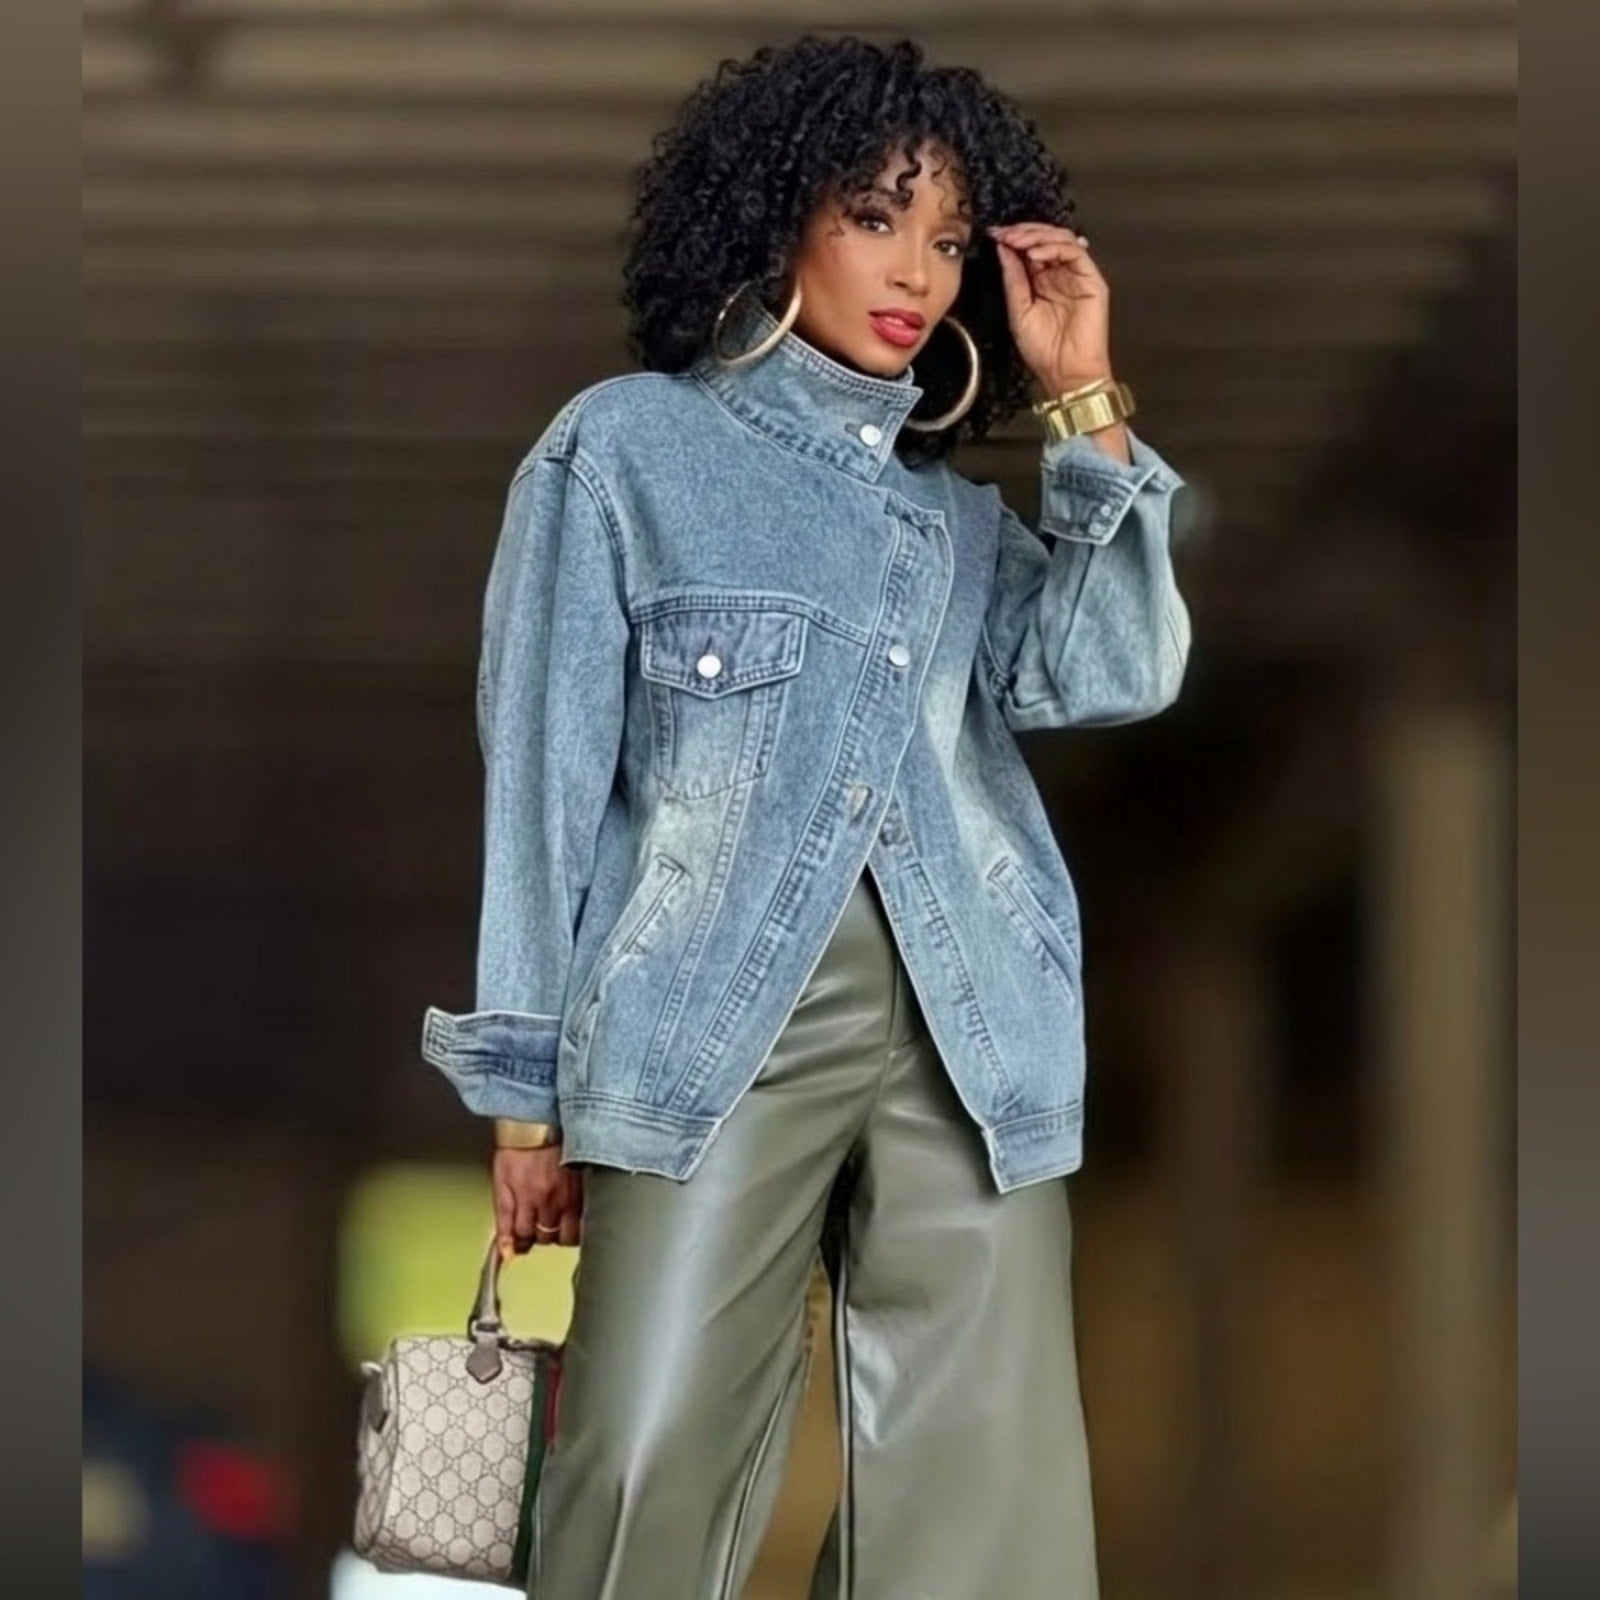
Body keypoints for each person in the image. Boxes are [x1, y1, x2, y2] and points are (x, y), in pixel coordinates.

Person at [420, 34, 1191, 1600]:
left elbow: (1121, 670)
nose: (916, 268)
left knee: (983, 1517)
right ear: (777, 218)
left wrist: (1082, 399)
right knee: (637, 1470)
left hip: (971, 1041)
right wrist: (523, 1097)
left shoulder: (956, 521)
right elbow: (548, 778)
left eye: (949, 237)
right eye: (875, 215)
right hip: (712, 1036)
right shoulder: (624, 449)